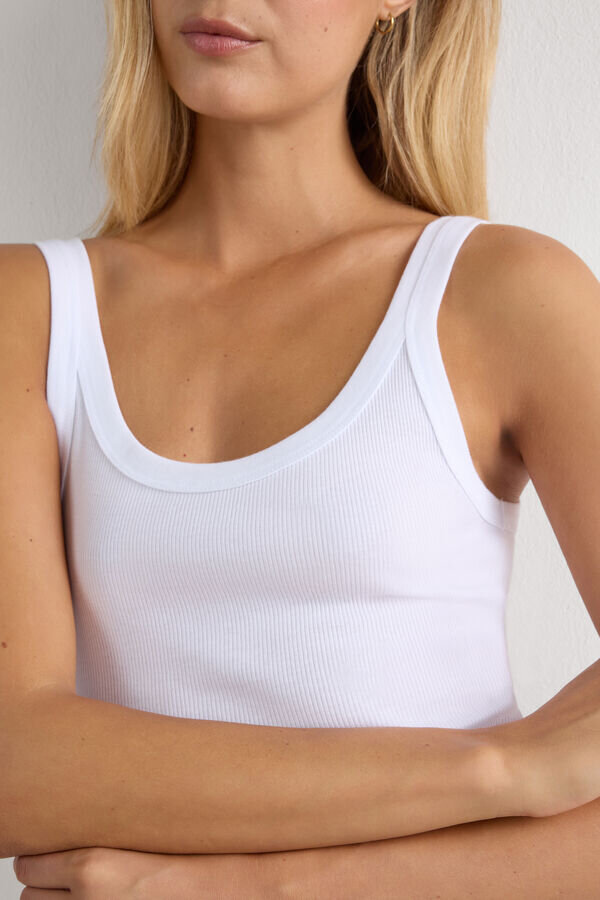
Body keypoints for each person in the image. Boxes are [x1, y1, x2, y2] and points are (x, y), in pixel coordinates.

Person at [4, 1, 600, 897]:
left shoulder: (505, 295)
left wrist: (243, 888)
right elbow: (16, 763)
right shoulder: (27, 310)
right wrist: (502, 770)